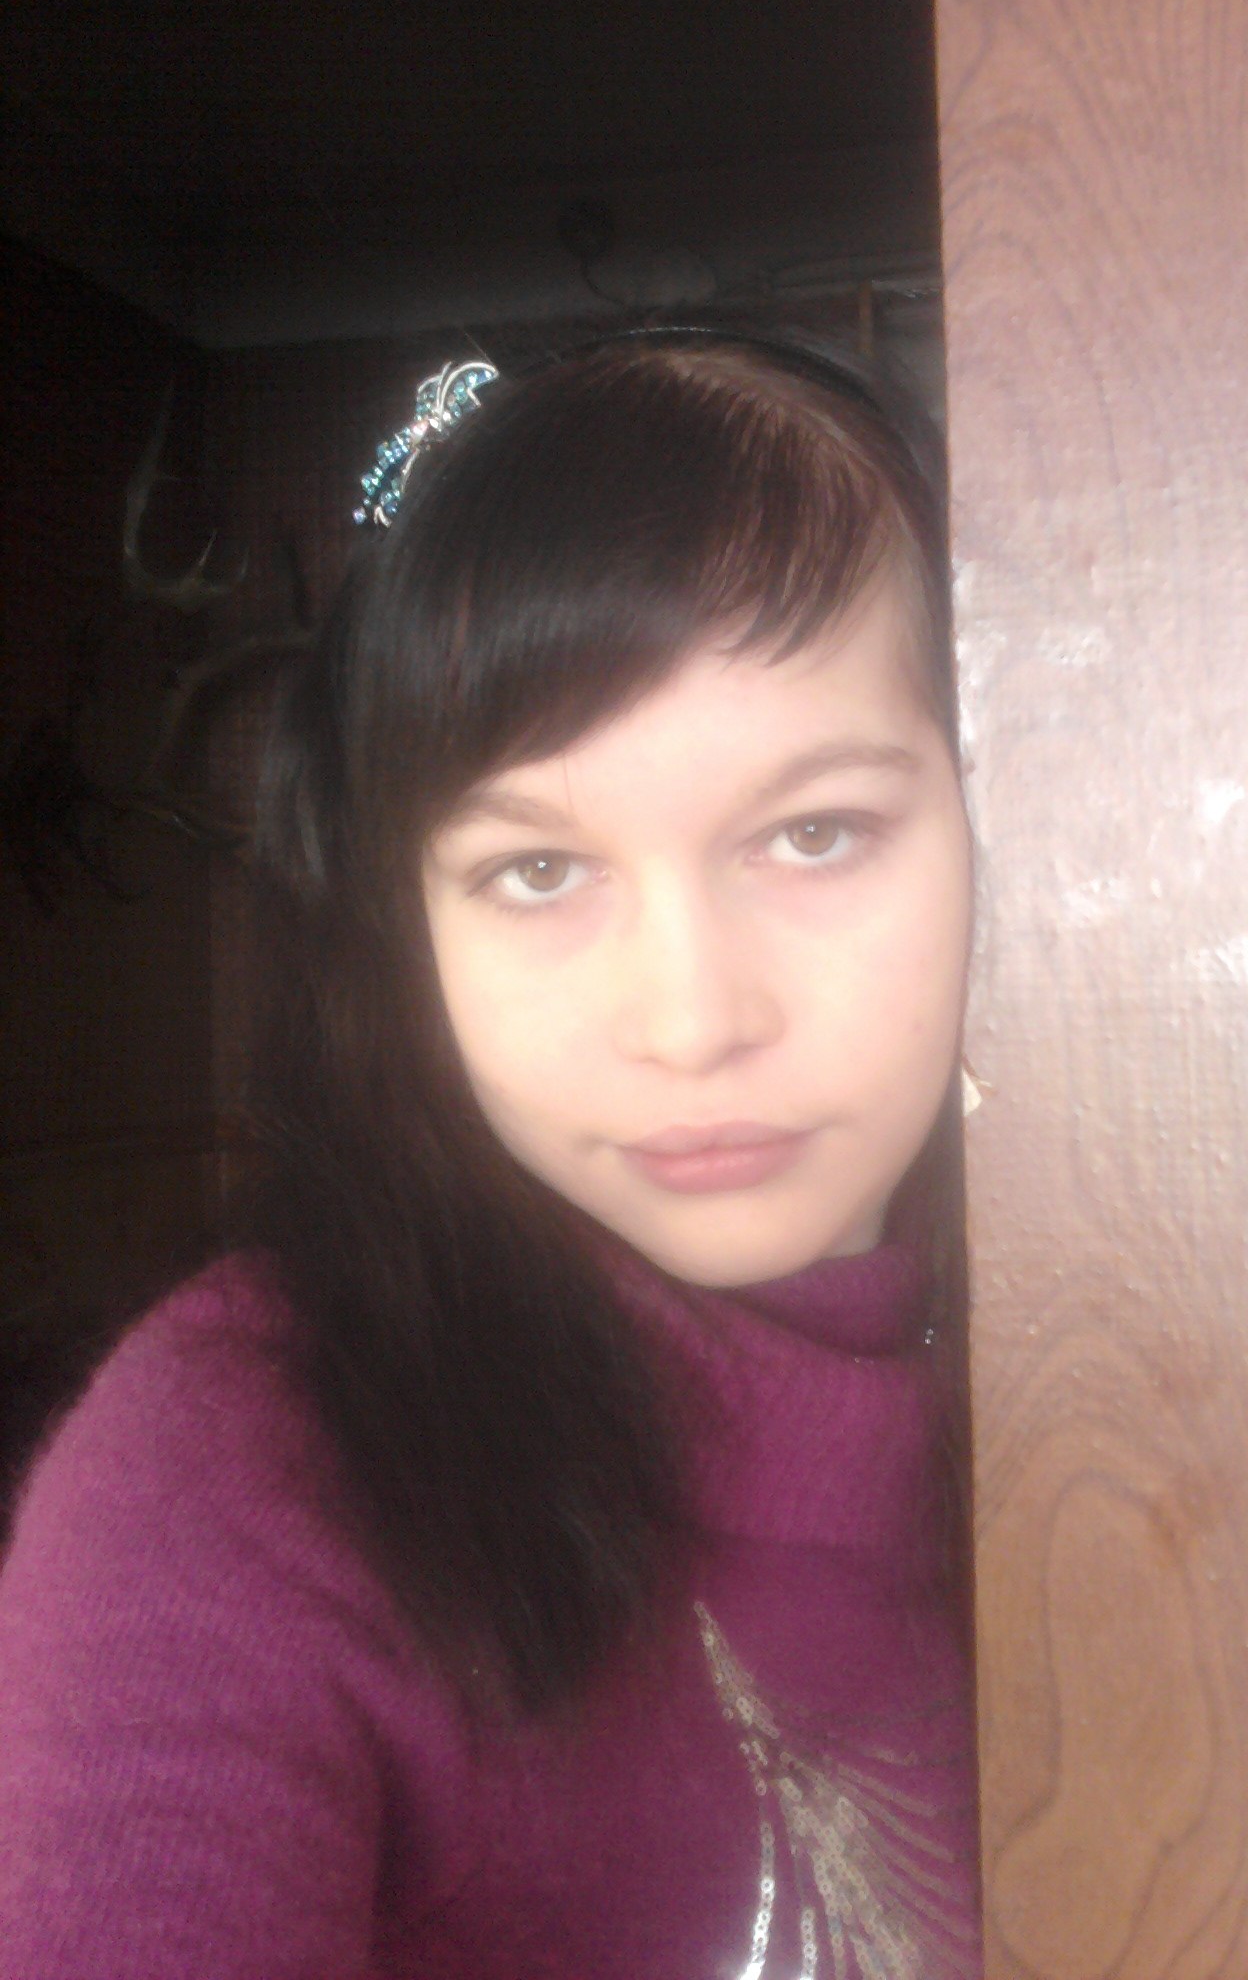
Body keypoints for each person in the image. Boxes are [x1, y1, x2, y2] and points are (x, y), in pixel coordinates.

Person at [0, 330, 981, 1978]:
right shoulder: (238, 1471)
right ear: (406, 923)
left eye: (816, 833)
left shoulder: (1180, 1379)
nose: (690, 1022)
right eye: (537, 870)